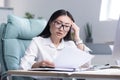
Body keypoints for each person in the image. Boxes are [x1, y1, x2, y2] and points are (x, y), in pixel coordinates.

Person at [20, 9, 91, 70]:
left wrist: (77, 38)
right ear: (50, 23)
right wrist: (37, 65)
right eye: (58, 23)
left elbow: (84, 65)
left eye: (66, 26)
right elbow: (23, 65)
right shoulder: (37, 41)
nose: (61, 29)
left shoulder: (70, 44)